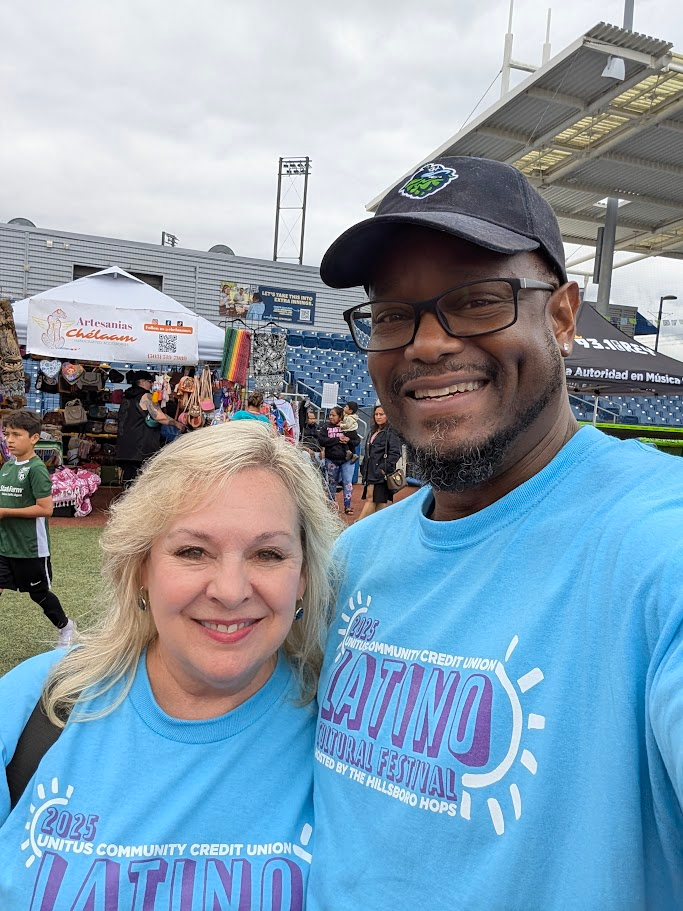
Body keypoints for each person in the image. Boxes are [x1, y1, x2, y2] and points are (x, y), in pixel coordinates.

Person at [307, 155, 683, 909]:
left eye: (478, 300)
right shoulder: (353, 561)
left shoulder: (652, 543)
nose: (425, 343)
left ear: (563, 316)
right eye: (390, 315)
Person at [0, 421, 341, 908]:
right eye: (193, 551)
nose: (231, 590)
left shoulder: (348, 738)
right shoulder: (36, 704)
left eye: (268, 553)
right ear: (141, 567)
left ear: (303, 575)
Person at [0, 410, 74, 647]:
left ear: (33, 438)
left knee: (39, 594)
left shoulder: (37, 469)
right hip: (4, 544)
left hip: (31, 547)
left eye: (16, 434)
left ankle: (65, 626)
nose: (9, 440)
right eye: (7, 434)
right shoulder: (6, 468)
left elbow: (45, 509)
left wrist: (5, 513)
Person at [115, 370, 182, 487]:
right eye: (150, 381)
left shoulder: (126, 398)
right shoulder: (146, 396)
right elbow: (159, 417)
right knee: (141, 483)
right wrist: (176, 423)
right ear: (142, 381)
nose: (151, 385)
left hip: (124, 448)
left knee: (128, 482)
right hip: (141, 448)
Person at [358, 404, 402, 521]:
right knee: (379, 501)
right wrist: (364, 467)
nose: (378, 417)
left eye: (381, 414)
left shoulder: (391, 432)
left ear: (388, 415)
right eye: (376, 414)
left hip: (380, 473)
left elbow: (395, 453)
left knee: (371, 498)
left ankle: (358, 524)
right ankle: (379, 527)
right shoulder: (374, 431)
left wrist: (383, 469)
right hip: (371, 471)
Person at [318, 406, 359, 516]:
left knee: (347, 483)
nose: (331, 417)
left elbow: (356, 440)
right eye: (330, 415)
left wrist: (348, 440)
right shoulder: (326, 427)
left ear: (340, 416)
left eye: (333, 415)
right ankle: (332, 505)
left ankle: (347, 506)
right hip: (332, 459)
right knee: (332, 483)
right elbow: (321, 441)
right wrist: (337, 440)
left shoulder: (348, 426)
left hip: (347, 460)